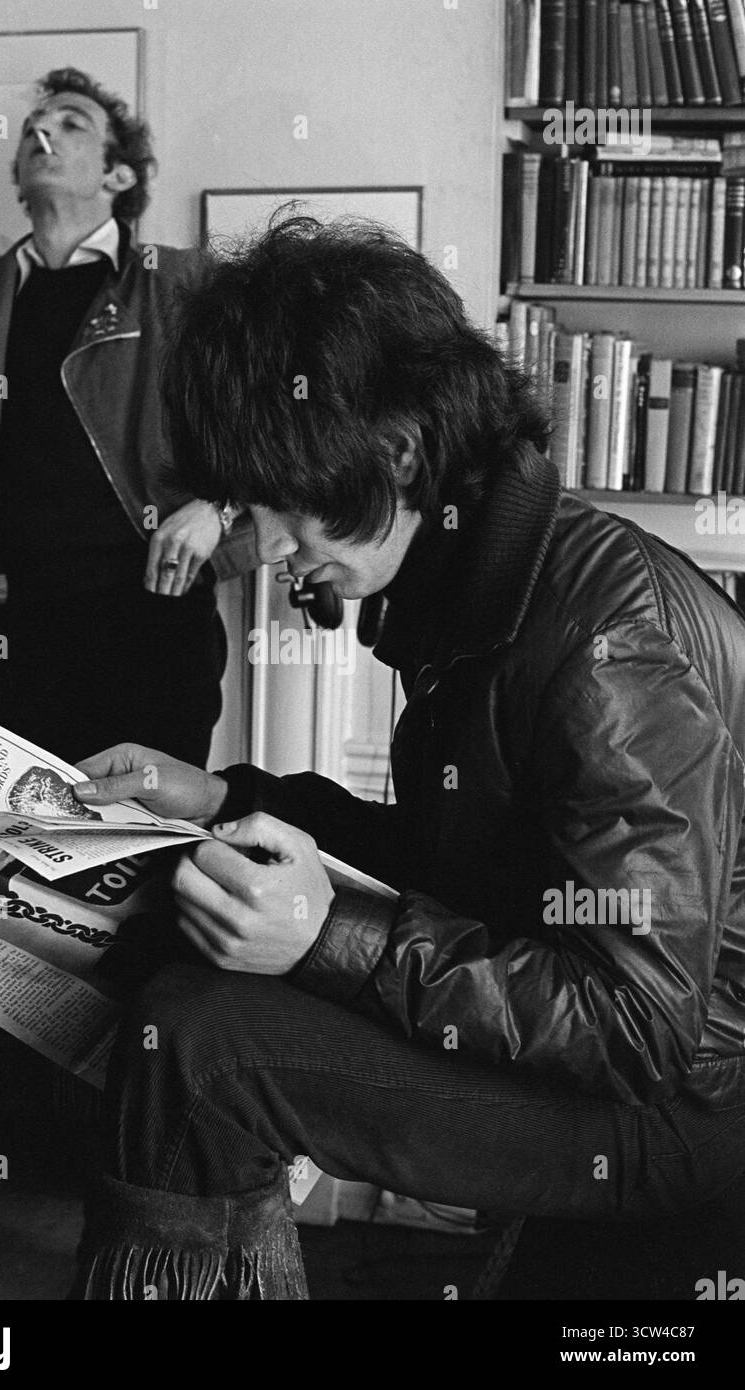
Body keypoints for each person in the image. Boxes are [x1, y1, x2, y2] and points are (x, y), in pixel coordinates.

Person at [66, 218, 745, 1300]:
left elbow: (636, 1021)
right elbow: (454, 862)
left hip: (678, 1101)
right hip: (605, 1044)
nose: (276, 545)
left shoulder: (607, 638)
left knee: (203, 1048)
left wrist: (323, 933)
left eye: (287, 503)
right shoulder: (464, 585)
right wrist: (222, 796)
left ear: (397, 454)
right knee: (183, 978)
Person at [0, 68, 251, 767]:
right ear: (18, 174)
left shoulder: (177, 280)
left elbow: (274, 417)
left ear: (119, 177)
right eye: (39, 125)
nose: (45, 131)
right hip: (31, 615)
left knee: (150, 845)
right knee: (39, 843)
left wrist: (220, 505)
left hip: (154, 614)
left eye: (73, 123)